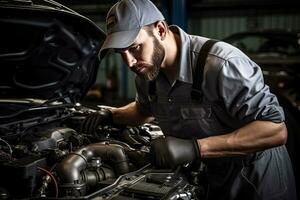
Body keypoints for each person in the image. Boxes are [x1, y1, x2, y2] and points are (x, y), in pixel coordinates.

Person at [81, 0, 297, 199]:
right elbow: (142, 111)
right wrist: (110, 114)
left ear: (160, 30)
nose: (129, 62)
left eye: (134, 47)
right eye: (121, 53)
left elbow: (275, 130)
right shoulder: (147, 74)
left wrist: (195, 148)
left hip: (257, 182)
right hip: (211, 178)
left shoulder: (222, 64)